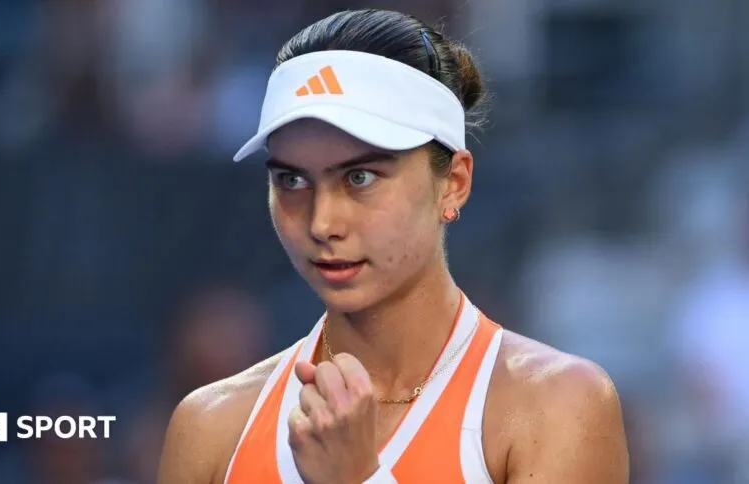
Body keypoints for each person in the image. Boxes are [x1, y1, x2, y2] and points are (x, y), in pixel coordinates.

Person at [158, 8, 629, 484]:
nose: (322, 223)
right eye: (292, 180)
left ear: (454, 183)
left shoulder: (561, 406)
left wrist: (357, 477)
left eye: (360, 177)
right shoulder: (210, 427)